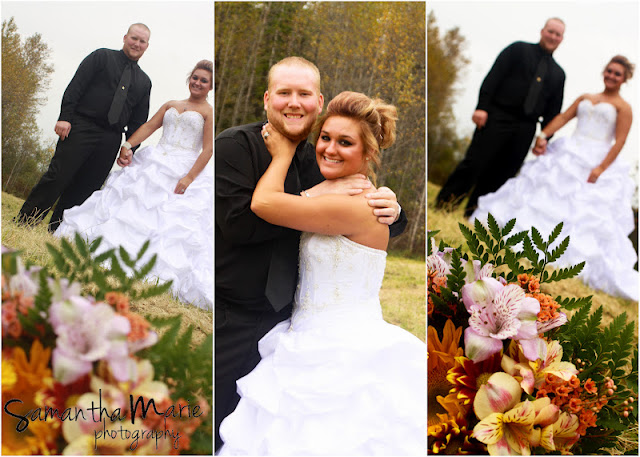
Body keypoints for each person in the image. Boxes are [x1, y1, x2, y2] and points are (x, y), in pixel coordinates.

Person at [215, 56, 408, 451]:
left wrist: (395, 208)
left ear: (318, 102)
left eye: (304, 94)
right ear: (267, 98)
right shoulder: (234, 146)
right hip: (235, 315)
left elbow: (365, 219)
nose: (293, 102)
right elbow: (239, 223)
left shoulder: (321, 160)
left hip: (291, 324)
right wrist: (310, 196)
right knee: (223, 423)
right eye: (284, 92)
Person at [472, 56, 638, 301]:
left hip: (595, 159)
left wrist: (601, 168)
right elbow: (563, 117)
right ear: (604, 71)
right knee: (543, 194)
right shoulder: (585, 98)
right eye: (610, 71)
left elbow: (620, 140)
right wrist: (545, 134)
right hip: (570, 150)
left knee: (579, 208)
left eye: (618, 74)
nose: (612, 76)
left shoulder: (623, 107)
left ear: (624, 79)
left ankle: (566, 257)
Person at [54, 60, 213, 309]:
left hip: (182, 168)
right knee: (129, 204)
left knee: (165, 218)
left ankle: (146, 268)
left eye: (204, 80)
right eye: (195, 77)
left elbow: (208, 148)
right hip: (156, 159)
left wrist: (189, 177)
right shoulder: (171, 104)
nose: (198, 83)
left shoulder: (208, 112)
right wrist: (128, 145)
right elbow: (149, 126)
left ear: (210, 86)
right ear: (189, 78)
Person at [16, 24, 152, 233]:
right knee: (58, 176)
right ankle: (25, 223)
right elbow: (76, 86)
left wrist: (130, 148)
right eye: (134, 38)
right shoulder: (101, 57)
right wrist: (65, 118)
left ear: (147, 46)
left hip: (110, 139)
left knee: (86, 188)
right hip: (80, 127)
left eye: (142, 41)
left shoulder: (144, 82)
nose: (137, 44)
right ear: (125, 37)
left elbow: (138, 122)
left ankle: (57, 232)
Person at [436, 18, 566, 217]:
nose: (553, 36)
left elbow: (553, 111)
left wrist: (545, 138)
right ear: (542, 31)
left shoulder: (558, 74)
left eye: (558, 34)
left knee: (502, 174)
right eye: (551, 31)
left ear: (561, 39)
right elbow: (494, 76)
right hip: (497, 116)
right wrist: (482, 108)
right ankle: (444, 207)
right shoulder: (518, 50)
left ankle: (473, 216)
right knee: (475, 163)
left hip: (526, 128)